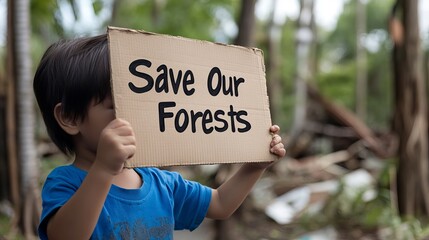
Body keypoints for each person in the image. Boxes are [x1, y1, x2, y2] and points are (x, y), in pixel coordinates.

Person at [34, 34, 286, 240]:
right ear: (69, 118)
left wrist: (255, 167)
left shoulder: (161, 183)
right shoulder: (65, 183)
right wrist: (103, 168)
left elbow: (220, 204)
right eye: (118, 104)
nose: (135, 114)